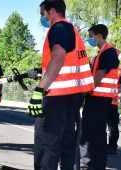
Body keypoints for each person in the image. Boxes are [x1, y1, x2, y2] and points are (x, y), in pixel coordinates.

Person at [30, 1, 95, 169]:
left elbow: (58, 57)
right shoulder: (71, 29)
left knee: (47, 148)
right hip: (72, 99)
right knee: (67, 149)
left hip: (55, 99)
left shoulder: (58, 27)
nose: (42, 19)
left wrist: (39, 90)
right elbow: (66, 61)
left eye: (42, 14)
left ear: (51, 11)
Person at [81, 24, 121, 169]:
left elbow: (97, 80)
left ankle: (97, 165)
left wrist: (82, 93)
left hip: (99, 101)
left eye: (91, 36)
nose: (89, 39)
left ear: (98, 35)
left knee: (96, 136)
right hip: (95, 99)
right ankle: (88, 162)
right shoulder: (101, 53)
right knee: (88, 132)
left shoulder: (108, 53)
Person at [107, 71, 121, 154]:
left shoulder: (120, 72)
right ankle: (100, 146)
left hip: (112, 103)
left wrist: (111, 92)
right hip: (99, 102)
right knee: (99, 126)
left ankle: (112, 147)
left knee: (113, 127)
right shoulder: (100, 68)